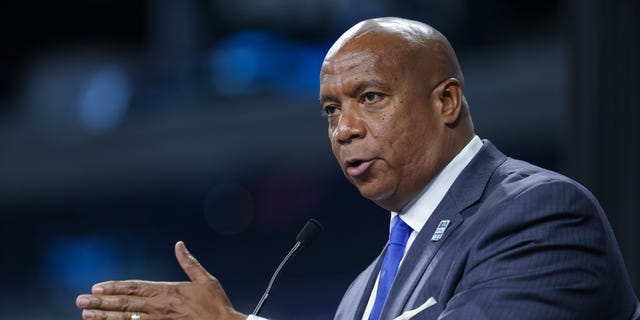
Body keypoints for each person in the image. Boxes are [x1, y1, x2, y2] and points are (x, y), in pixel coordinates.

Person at [76, 17, 640, 320]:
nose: (343, 128)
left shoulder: (539, 215)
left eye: (369, 97)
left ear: (446, 102)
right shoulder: (360, 295)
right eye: (330, 110)